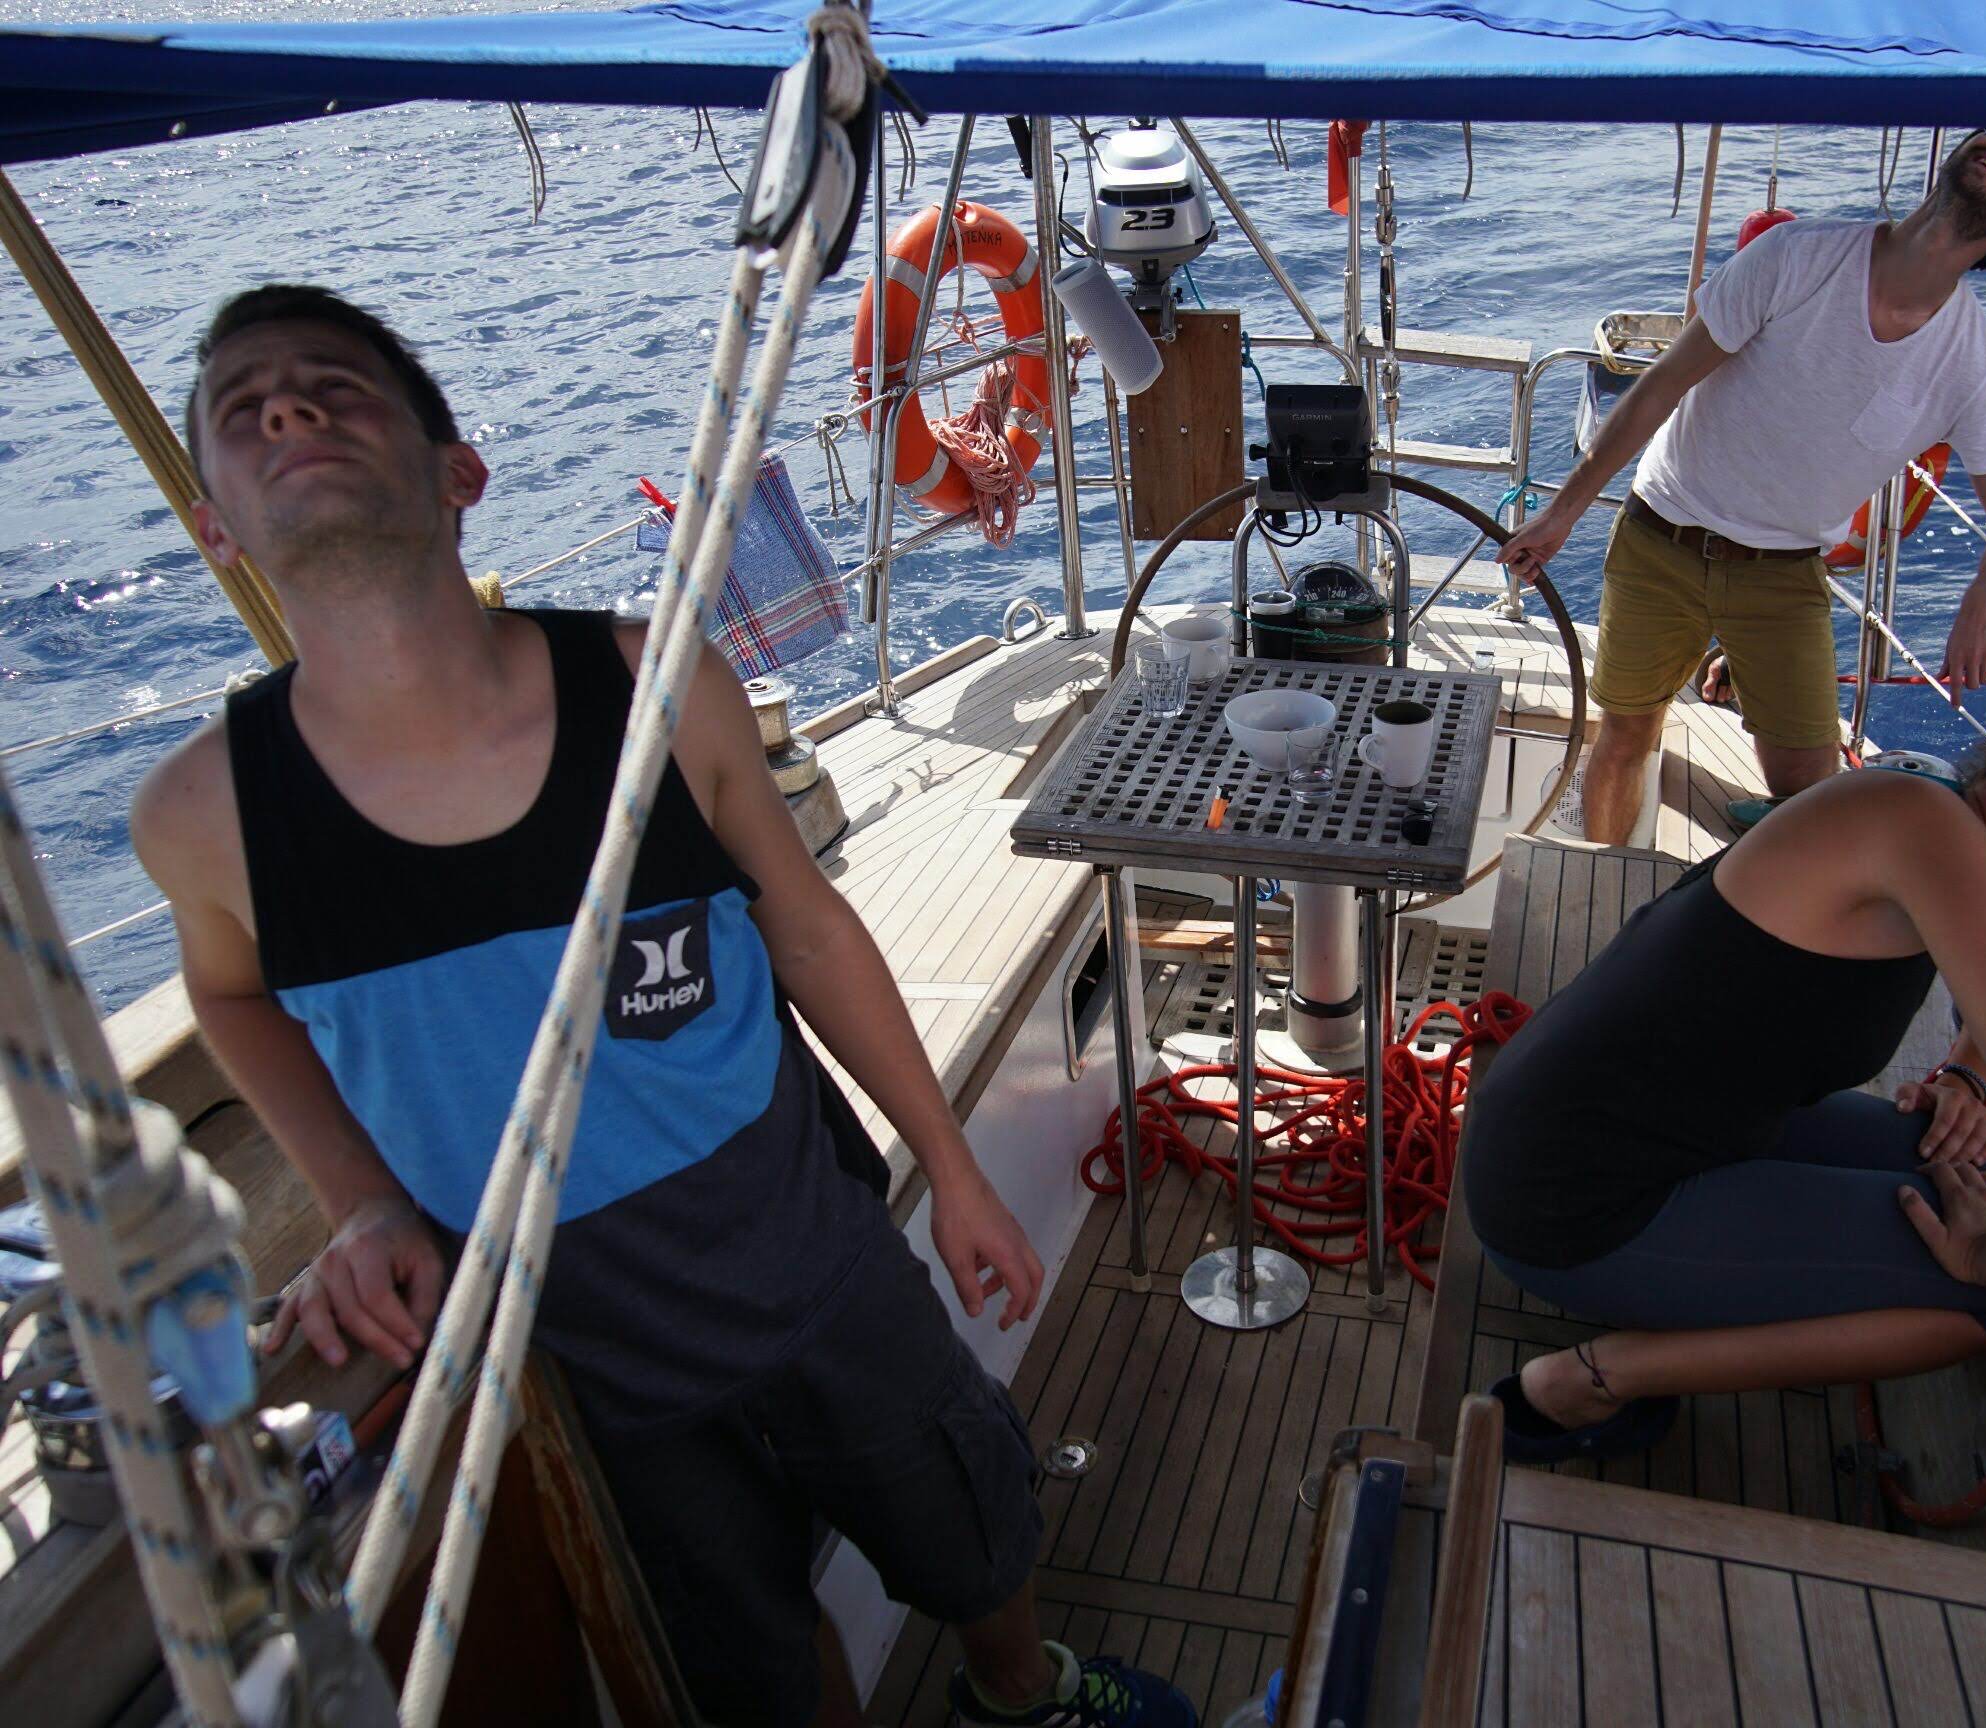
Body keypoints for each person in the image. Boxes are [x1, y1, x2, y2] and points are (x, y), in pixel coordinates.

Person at [131, 285, 1193, 1728]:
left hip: (803, 1249)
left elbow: (805, 927)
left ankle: (1020, 1693)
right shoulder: (206, 818)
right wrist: (361, 1202)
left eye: (334, 384)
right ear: (215, 529)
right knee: (742, 1662)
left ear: (458, 474)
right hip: (572, 1351)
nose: (290, 410)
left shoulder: (655, 688)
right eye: (245, 411)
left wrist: (952, 1169)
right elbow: (230, 996)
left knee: (969, 1514)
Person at [1455, 665, 1986, 1461]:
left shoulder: (1964, 840)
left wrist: (1965, 1076)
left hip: (1650, 1127)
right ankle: (1597, 1379)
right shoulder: (1917, 821)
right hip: (1569, 1199)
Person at [1499, 128, 1986, 843]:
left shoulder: (1973, 360)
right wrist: (1563, 512)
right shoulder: (1796, 255)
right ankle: (1603, 884)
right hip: (1661, 535)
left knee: (1811, 791)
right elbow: (1661, 386)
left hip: (1783, 575)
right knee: (1625, 735)